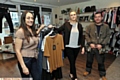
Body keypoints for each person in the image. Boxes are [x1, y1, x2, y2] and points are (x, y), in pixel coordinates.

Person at [14, 11, 45, 80]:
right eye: (28, 18)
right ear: (23, 19)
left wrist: (40, 29)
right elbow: (17, 50)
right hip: (25, 59)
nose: (31, 20)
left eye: (32, 18)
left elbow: (33, 36)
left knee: (38, 77)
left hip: (34, 58)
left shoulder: (31, 29)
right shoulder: (20, 31)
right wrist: (23, 67)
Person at [55, 11, 85, 80]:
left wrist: (82, 47)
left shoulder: (79, 25)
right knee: (72, 62)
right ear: (69, 16)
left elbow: (81, 37)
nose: (73, 16)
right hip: (68, 47)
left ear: (76, 16)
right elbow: (58, 30)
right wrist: (52, 28)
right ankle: (75, 77)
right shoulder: (66, 24)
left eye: (74, 15)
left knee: (73, 62)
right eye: (71, 15)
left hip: (77, 47)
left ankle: (71, 73)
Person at [83, 11, 111, 80]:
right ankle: (87, 70)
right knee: (89, 60)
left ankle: (102, 74)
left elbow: (108, 36)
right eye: (96, 17)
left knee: (101, 61)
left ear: (101, 17)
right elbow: (86, 34)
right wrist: (90, 43)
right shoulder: (90, 26)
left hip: (100, 47)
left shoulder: (106, 26)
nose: (97, 18)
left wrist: (102, 44)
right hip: (91, 47)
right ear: (94, 18)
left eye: (99, 17)